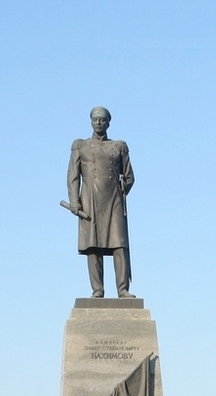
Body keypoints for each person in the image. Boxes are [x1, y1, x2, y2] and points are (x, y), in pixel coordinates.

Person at [67, 107, 134, 299]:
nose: (98, 123)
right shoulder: (81, 146)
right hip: (90, 200)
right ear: (91, 121)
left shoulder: (119, 146)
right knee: (93, 246)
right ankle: (98, 290)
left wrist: (122, 191)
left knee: (119, 245)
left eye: (102, 120)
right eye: (95, 119)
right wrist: (74, 201)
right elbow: (73, 176)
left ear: (108, 123)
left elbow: (129, 176)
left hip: (114, 200)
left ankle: (123, 289)